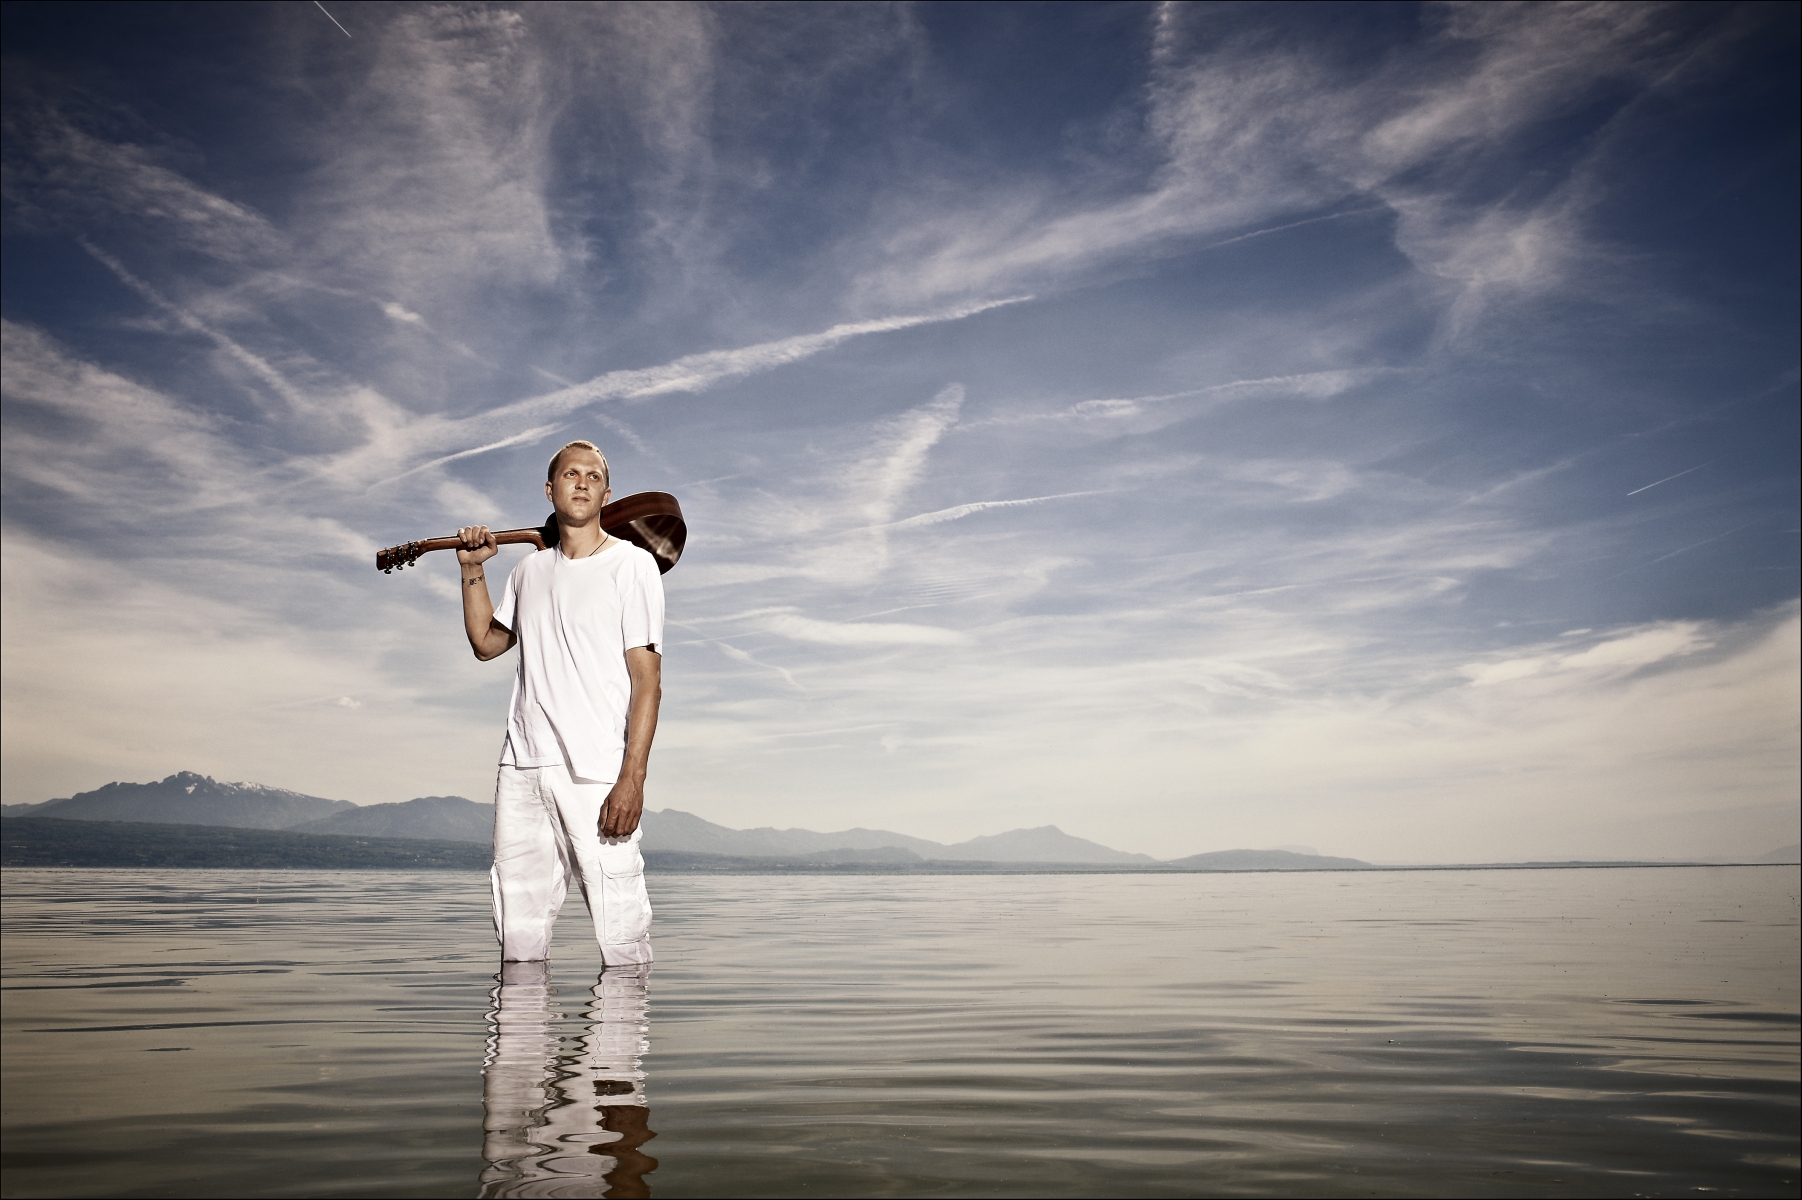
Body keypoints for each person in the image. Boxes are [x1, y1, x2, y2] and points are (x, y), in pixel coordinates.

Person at [455, 440, 663, 965]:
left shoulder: (631, 565)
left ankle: (618, 1042)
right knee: (517, 936)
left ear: (606, 494)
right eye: (571, 473)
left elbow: (648, 679)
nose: (582, 481)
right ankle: (521, 1045)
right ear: (550, 490)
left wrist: (632, 777)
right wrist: (472, 568)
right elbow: (486, 643)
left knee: (621, 932)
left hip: (596, 771)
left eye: (594, 476)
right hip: (523, 767)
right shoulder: (528, 572)